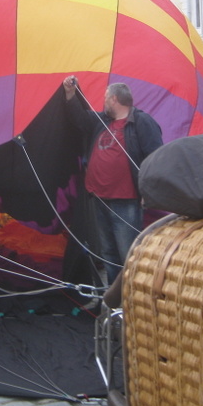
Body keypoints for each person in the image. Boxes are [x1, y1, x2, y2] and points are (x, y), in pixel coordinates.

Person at [63, 76, 163, 285]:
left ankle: (131, 296)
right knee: (108, 252)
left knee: (127, 252)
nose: (104, 102)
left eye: (106, 98)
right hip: (99, 198)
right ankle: (114, 298)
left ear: (114, 99)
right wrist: (71, 94)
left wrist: (148, 192)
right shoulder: (102, 122)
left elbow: (155, 158)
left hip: (125, 200)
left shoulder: (142, 122)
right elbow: (80, 119)